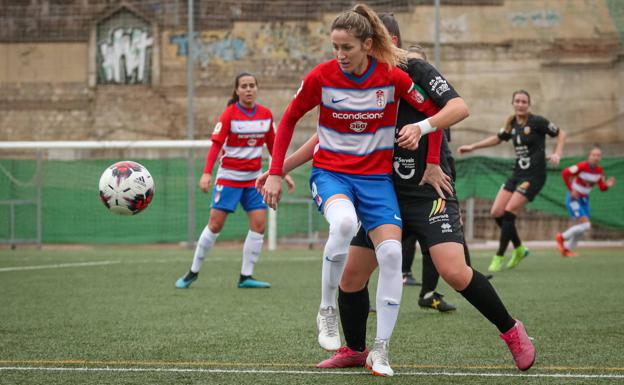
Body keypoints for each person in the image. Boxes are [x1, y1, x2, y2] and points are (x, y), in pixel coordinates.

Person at [315, 14, 534, 375]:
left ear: (386, 42)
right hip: (381, 192)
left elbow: (455, 109)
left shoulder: (414, 69)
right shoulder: (356, 77)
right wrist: (279, 168)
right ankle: (355, 349)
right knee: (352, 276)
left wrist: (427, 142)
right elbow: (326, 133)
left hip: (427, 190)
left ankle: (511, 330)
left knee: (454, 271)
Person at [259, 4, 458, 376]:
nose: (340, 55)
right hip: (332, 175)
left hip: (377, 182)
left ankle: (380, 350)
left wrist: (432, 159)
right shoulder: (321, 77)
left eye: (346, 47)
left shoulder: (392, 78)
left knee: (393, 257)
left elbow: (431, 111)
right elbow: (288, 119)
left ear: (368, 45)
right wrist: (274, 171)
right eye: (335, 47)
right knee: (345, 225)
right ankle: (326, 309)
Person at [175, 72, 294, 289]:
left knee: (259, 225)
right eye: (244, 86)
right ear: (237, 90)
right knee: (215, 224)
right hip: (229, 179)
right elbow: (216, 145)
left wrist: (283, 172)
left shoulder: (265, 115)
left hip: (254, 181)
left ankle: (245, 276)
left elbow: (274, 146)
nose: (248, 89)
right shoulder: (229, 114)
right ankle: (193, 272)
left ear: (257, 88)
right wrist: (207, 172)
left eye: (252, 85)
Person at [458, 90, 566, 272]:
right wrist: (473, 146)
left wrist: (557, 153)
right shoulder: (512, 124)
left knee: (508, 213)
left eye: (524, 101)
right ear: (513, 103)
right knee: (496, 212)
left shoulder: (537, 122)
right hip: (517, 174)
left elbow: (561, 133)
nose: (520, 104)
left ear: (528, 104)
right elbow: (498, 138)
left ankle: (499, 256)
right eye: (517, 101)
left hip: (534, 176)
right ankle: (520, 248)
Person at [556, 146, 615, 257]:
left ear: (600, 158)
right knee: (586, 225)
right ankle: (561, 237)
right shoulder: (582, 166)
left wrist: (607, 185)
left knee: (582, 229)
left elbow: (602, 188)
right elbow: (565, 173)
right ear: (589, 156)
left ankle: (567, 250)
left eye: (598, 155)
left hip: (585, 200)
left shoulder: (599, 172)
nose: (596, 157)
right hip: (574, 199)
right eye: (594, 155)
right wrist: (571, 189)